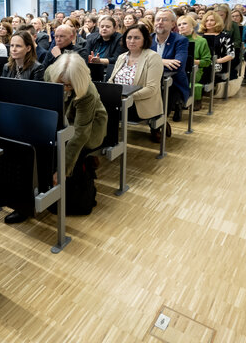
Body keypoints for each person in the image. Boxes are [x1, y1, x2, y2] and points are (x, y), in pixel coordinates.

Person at [45, 53, 107, 219]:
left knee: (72, 155)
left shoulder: (87, 92)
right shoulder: (50, 73)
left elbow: (80, 133)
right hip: (63, 122)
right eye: (61, 84)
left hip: (91, 127)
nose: (65, 89)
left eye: (69, 86)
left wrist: (63, 170)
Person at [108, 24, 165, 141]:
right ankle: (104, 143)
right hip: (118, 101)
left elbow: (151, 89)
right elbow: (111, 80)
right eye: (129, 38)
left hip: (139, 103)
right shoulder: (122, 57)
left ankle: (110, 144)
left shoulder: (153, 57)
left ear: (144, 39)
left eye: (137, 38)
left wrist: (125, 98)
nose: (132, 41)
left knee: (105, 111)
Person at [151, 10, 189, 122]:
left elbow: (178, 65)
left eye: (165, 20)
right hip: (150, 80)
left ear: (173, 24)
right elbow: (139, 61)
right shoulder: (148, 39)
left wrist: (151, 62)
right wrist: (162, 61)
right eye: (157, 19)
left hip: (174, 82)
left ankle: (158, 125)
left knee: (164, 93)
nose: (160, 22)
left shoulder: (180, 40)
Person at [177, 16, 211, 110]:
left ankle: (189, 100)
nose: (181, 26)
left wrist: (192, 61)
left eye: (184, 23)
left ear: (192, 25)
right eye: (179, 25)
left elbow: (207, 61)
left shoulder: (201, 41)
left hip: (195, 70)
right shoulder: (176, 40)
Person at [82, 15, 123, 82]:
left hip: (110, 71)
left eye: (108, 27)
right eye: (102, 26)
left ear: (114, 28)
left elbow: (117, 59)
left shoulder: (120, 39)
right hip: (90, 69)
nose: (104, 28)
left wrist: (100, 61)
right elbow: (85, 53)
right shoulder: (92, 37)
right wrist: (89, 59)